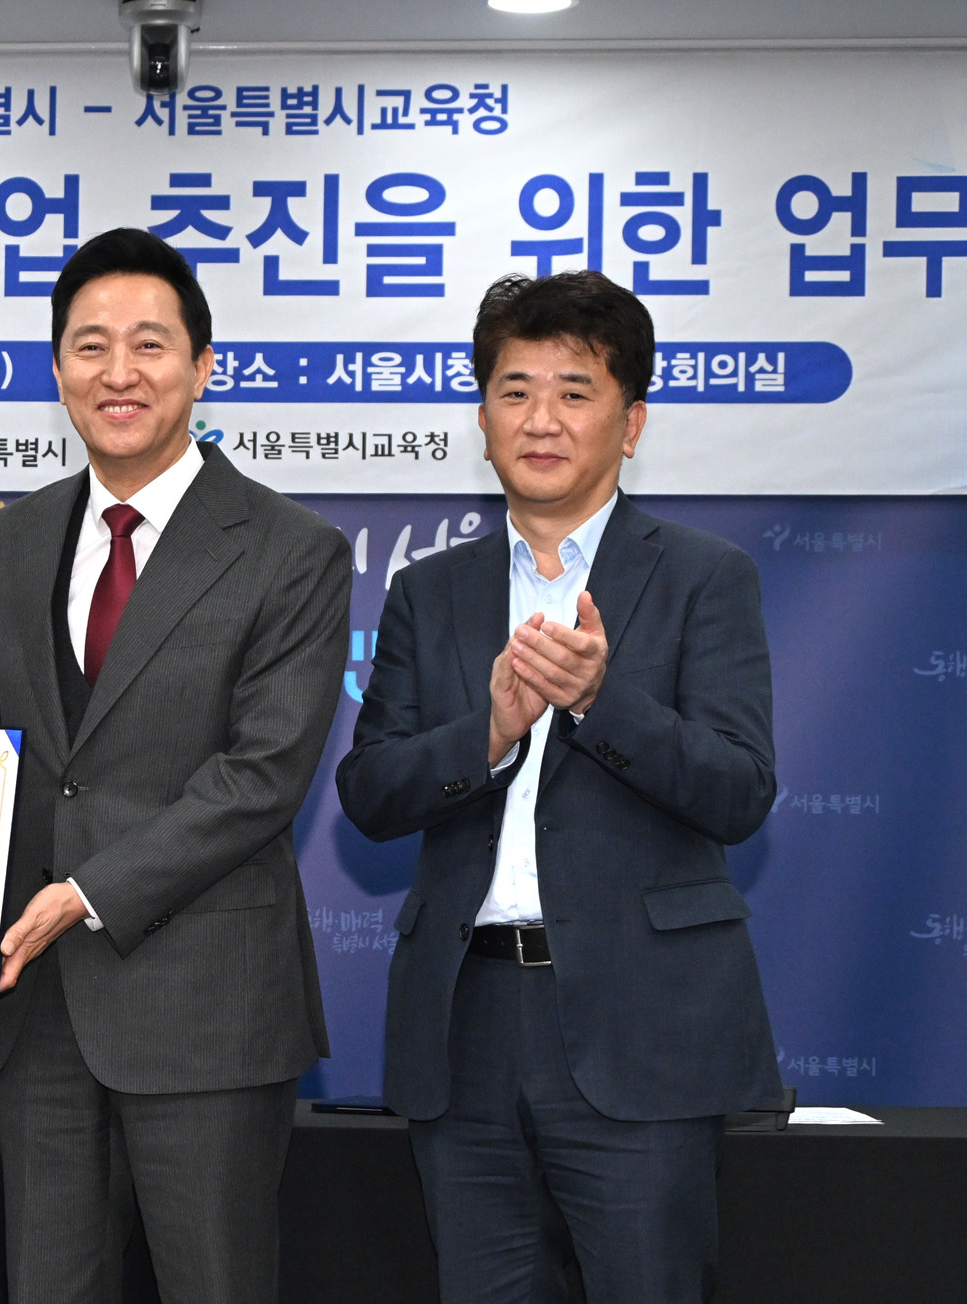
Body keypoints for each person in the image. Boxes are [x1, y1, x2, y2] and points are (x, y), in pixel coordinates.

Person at [0, 228, 351, 1304]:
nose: (118, 372)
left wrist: (84, 893)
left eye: (149, 344)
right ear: (58, 371)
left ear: (201, 365)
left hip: (207, 1008)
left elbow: (262, 774)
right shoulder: (16, 535)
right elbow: (12, 724)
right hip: (41, 1010)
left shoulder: (290, 548)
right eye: (89, 346)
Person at [336, 270, 783, 1304]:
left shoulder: (703, 576)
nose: (540, 419)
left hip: (643, 1028)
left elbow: (739, 788)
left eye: (574, 392)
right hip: (466, 1025)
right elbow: (369, 790)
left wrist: (597, 701)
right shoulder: (427, 591)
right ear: (482, 416)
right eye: (514, 390)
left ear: (631, 423)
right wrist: (489, 732)